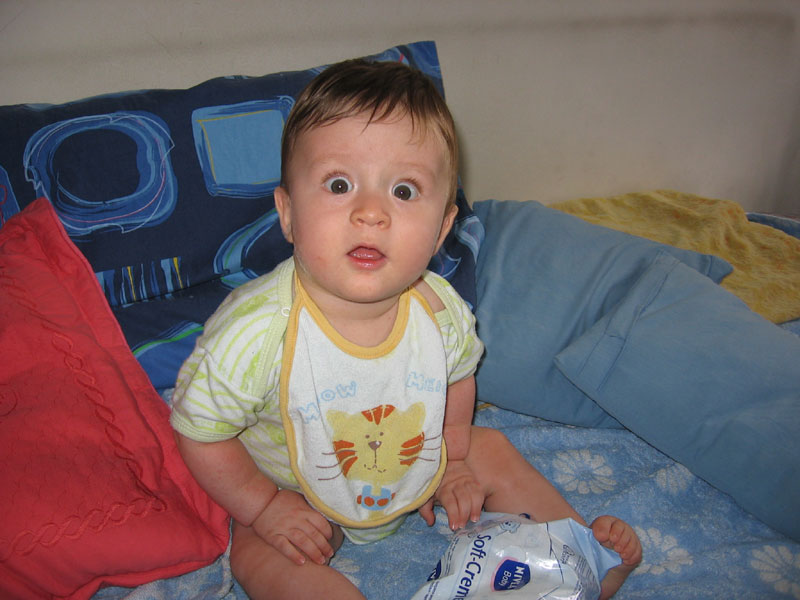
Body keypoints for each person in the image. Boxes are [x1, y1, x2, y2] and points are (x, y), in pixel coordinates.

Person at [170, 58, 641, 600]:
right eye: (340, 184)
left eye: (404, 191)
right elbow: (199, 431)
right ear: (289, 212)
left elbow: (458, 376)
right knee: (259, 553)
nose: (371, 212)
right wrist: (264, 505)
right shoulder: (254, 333)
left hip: (416, 457)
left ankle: (581, 560)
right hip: (296, 488)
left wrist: (453, 459)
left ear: (442, 228)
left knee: (491, 449)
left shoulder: (439, 309)